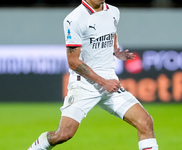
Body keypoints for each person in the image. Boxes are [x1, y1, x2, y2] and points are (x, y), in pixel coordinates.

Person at [28, 0, 158, 150]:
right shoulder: (75, 19)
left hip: (110, 84)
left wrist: (115, 50)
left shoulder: (114, 12)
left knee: (145, 122)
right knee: (63, 134)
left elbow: (111, 33)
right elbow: (73, 61)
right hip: (84, 85)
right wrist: (104, 82)